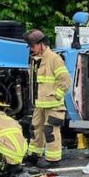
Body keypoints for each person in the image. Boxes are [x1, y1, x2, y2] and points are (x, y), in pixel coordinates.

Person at [23, 29, 70, 169]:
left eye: (32, 46)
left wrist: (57, 96)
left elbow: (66, 81)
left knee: (50, 131)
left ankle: (53, 159)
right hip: (41, 104)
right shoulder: (37, 59)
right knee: (36, 128)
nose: (31, 49)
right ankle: (34, 155)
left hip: (53, 104)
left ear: (41, 44)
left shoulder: (54, 59)